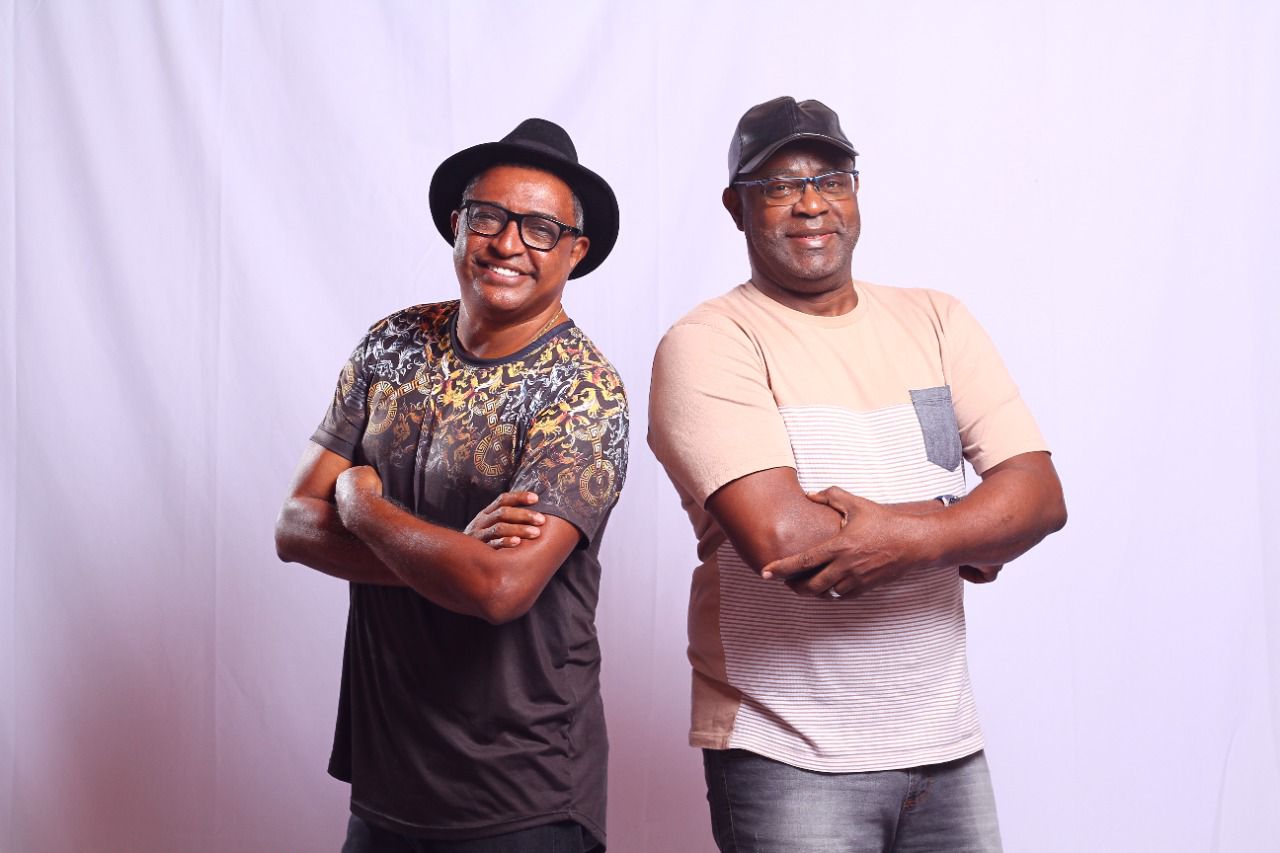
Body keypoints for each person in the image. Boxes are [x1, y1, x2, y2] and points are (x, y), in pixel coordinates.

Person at [646, 96, 1067, 852]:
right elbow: (789, 543)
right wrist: (966, 524)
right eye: (780, 185)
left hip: (948, 747)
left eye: (831, 179)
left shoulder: (937, 318)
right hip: (787, 754)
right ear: (736, 207)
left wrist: (918, 533)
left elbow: (1039, 497)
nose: (811, 203)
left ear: (856, 191)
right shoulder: (709, 342)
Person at [274, 118, 628, 853]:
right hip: (390, 774)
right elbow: (293, 526)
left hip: (523, 789)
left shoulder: (582, 394)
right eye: (488, 217)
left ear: (575, 251)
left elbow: (499, 589)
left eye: (540, 228)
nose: (507, 244)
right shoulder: (392, 345)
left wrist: (362, 506)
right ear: (457, 225)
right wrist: (450, 562)